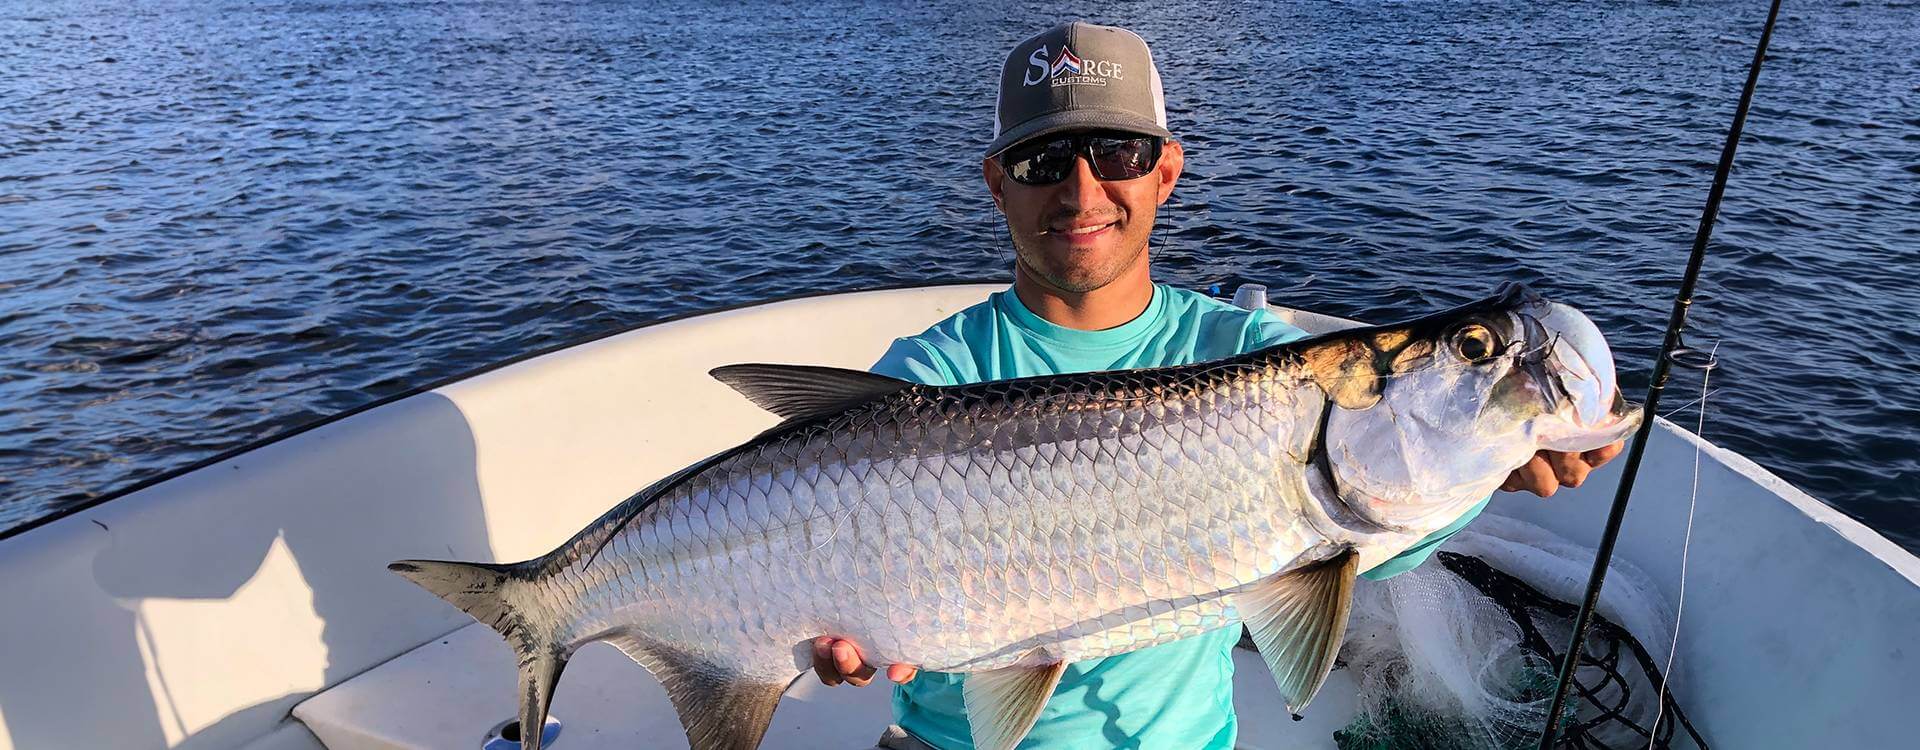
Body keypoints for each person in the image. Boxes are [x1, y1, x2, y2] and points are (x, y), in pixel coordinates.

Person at [815, 21, 1625, 750]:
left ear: (1165, 171)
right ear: (998, 183)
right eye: (1044, 160)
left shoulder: (1244, 349)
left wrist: (1488, 472)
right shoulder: (932, 376)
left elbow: (1359, 544)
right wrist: (836, 632)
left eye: (1118, 154)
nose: (1082, 190)